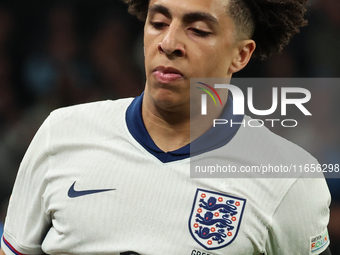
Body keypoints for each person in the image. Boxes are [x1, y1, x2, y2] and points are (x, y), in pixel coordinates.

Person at [0, 0, 332, 254]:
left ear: (240, 55)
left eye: (198, 30)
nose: (169, 42)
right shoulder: (61, 134)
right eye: (158, 22)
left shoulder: (290, 177)